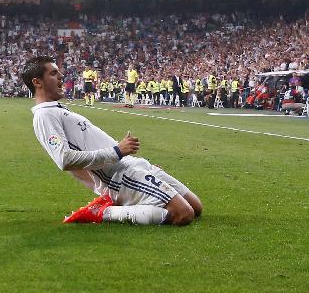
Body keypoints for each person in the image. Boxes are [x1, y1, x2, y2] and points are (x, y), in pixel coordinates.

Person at [23, 56, 202, 226]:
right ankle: (104, 212)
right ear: (37, 82)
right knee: (183, 214)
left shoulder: (56, 109)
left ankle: (136, 196)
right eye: (53, 73)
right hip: (120, 176)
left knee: (196, 207)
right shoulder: (44, 115)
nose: (61, 76)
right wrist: (116, 152)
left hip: (133, 164)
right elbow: (64, 159)